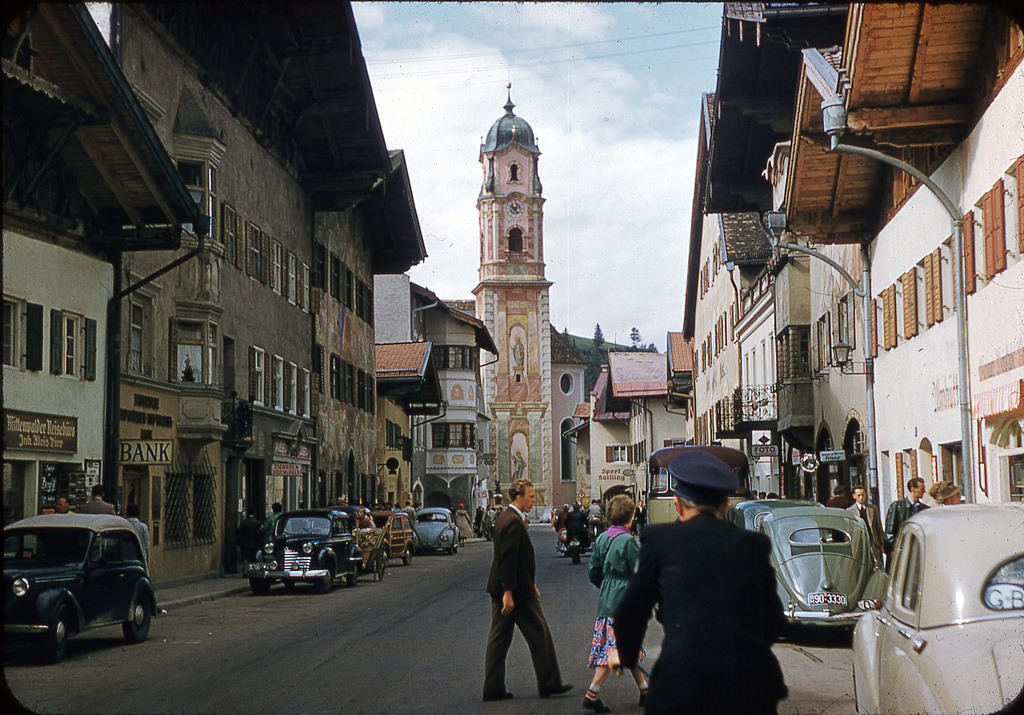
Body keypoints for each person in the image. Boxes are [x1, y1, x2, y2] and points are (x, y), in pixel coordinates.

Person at [611, 450, 788, 715]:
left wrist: (625, 655)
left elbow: (631, 611)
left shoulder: (659, 541)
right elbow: (774, 619)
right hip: (748, 683)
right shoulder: (753, 545)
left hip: (683, 681)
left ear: (679, 504)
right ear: (725, 505)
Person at [483, 478, 572, 702]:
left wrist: (529, 584)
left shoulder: (506, 517)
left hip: (514, 587)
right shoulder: (513, 521)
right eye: (531, 497)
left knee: (499, 639)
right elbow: (508, 559)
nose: (533, 501)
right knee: (539, 633)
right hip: (515, 592)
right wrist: (509, 592)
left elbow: (517, 559)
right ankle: (549, 683)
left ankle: (493, 688)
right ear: (519, 497)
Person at [582, 495, 648, 713]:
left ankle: (645, 690)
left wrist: (606, 586)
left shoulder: (602, 539)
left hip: (607, 599)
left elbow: (593, 571)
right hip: (624, 600)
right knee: (615, 649)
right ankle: (592, 694)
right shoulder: (628, 541)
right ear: (629, 518)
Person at [884, 477, 928, 560]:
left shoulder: (924, 509)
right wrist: (893, 550)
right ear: (913, 489)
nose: (924, 491)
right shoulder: (897, 507)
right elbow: (889, 532)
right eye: (922, 489)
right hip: (901, 553)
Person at [847, 484, 884, 568]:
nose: (861, 497)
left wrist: (882, 543)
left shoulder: (872, 509)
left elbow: (879, 527)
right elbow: (850, 529)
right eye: (858, 495)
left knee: (877, 564)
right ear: (854, 496)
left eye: (863, 495)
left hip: (873, 541)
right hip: (859, 542)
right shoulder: (850, 511)